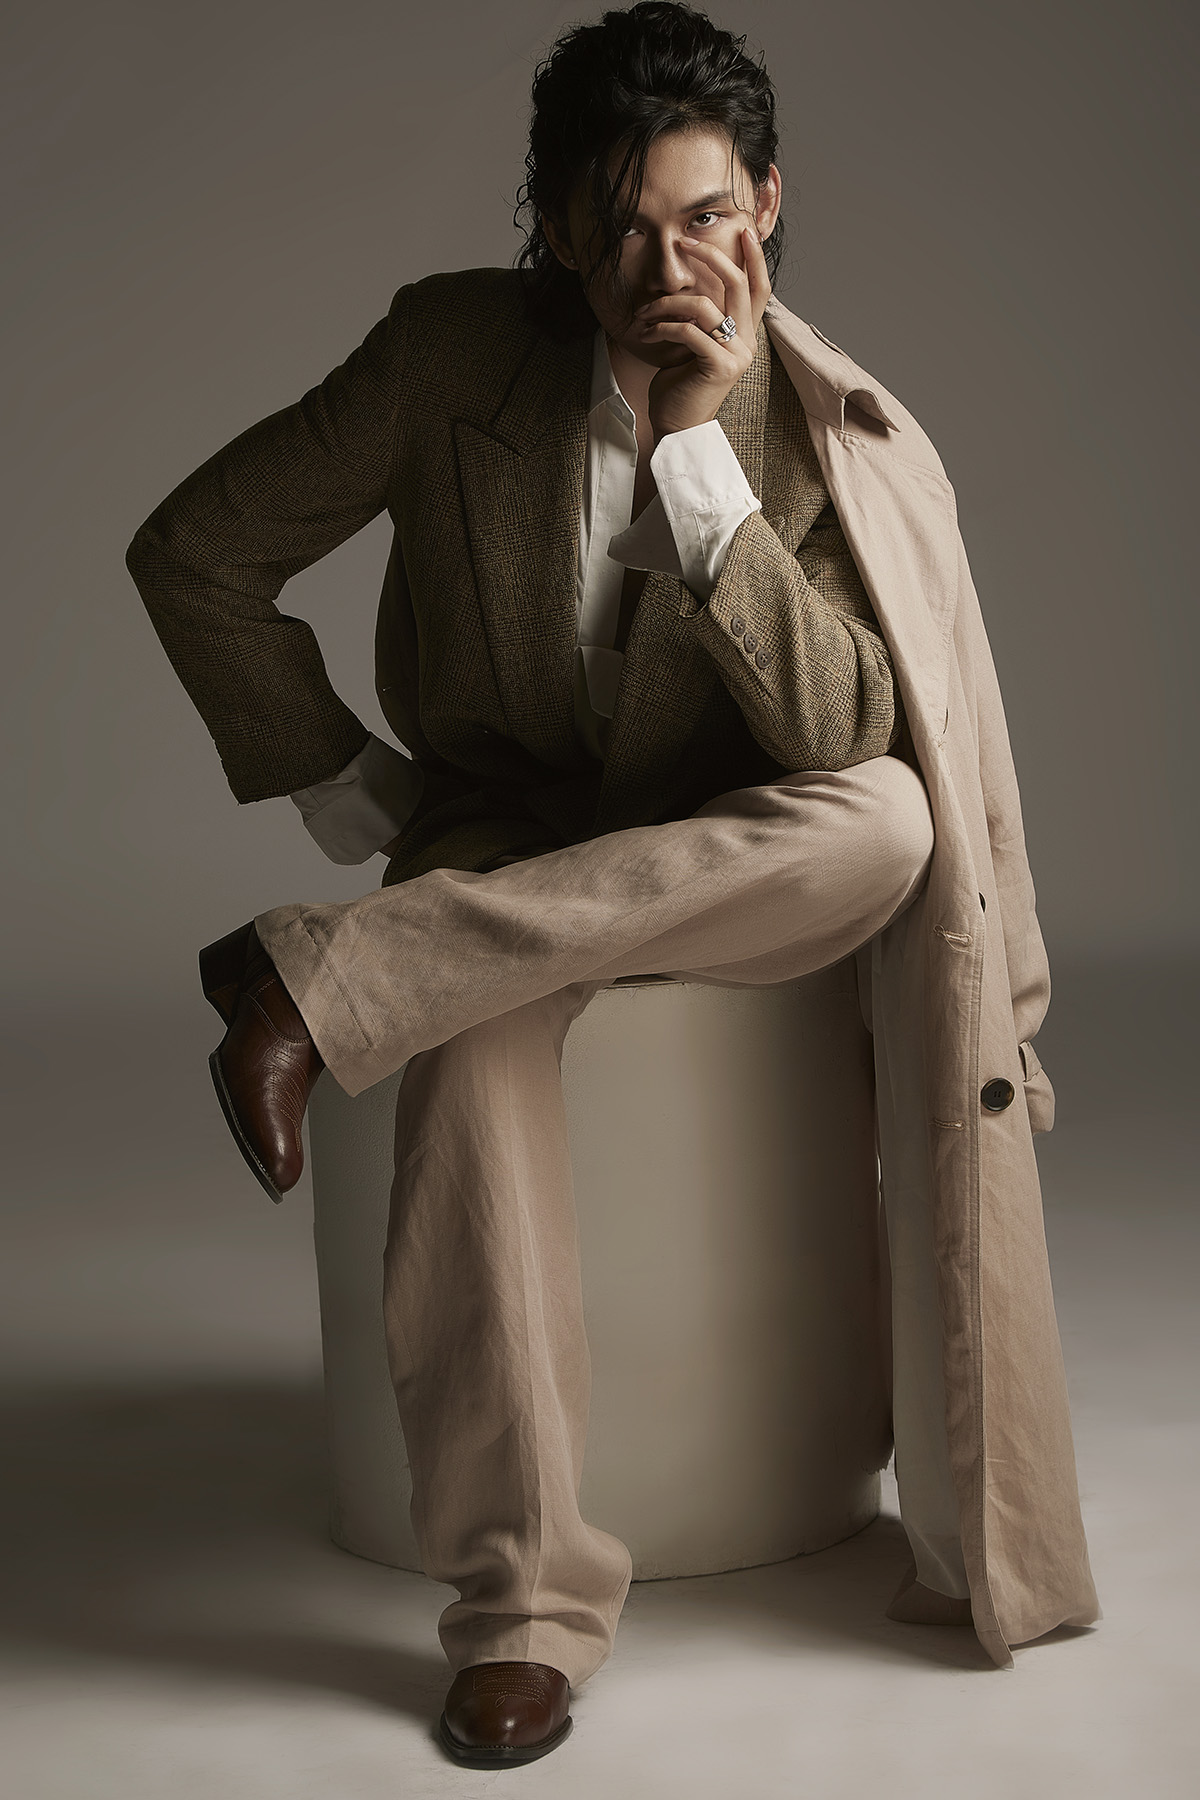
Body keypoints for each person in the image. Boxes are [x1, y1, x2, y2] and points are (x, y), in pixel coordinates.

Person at [126, 0, 1098, 1771]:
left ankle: (328, 977)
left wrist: (699, 460)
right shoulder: (447, 354)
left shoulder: (816, 422)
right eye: (626, 228)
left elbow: (844, 727)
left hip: (737, 846)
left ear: (769, 206)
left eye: (711, 217)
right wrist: (351, 789)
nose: (672, 268)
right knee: (467, 1066)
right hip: (501, 833)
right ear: (561, 232)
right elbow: (198, 554)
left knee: (886, 820)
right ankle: (520, 1615)